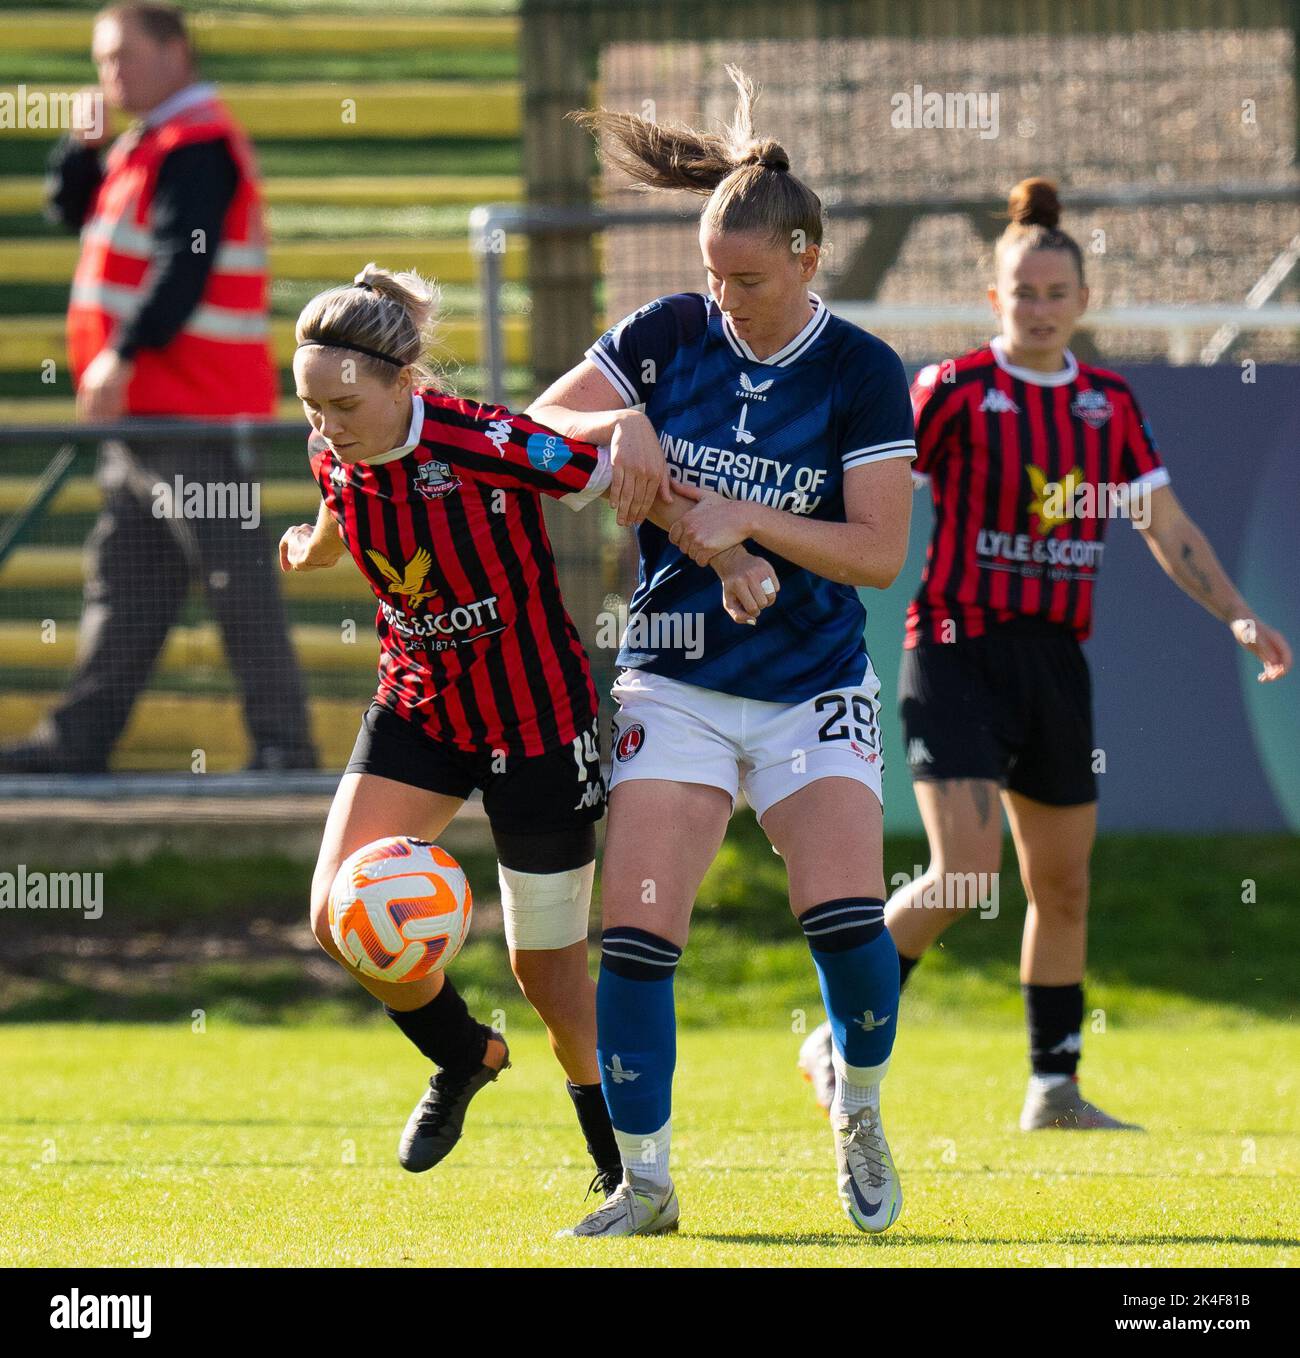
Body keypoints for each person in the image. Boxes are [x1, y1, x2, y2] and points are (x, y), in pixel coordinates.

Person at [798, 178, 1292, 1132]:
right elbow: (869, 493)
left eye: (1054, 293)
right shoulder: (951, 392)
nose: (1037, 308)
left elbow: (1165, 524)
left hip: (1055, 663)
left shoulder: (1108, 404)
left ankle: (1053, 1088)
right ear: (996, 300)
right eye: (1021, 292)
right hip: (955, 653)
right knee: (965, 874)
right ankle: (834, 1032)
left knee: (1061, 885)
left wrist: (1236, 612)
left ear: (1082, 302)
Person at [525, 66, 917, 1237]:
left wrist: (748, 525)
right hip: (676, 681)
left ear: (806, 259)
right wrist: (621, 422)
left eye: (746, 277)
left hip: (810, 689)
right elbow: (540, 427)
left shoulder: (861, 369)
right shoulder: (668, 335)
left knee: (846, 926)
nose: (722, 296)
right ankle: (643, 1182)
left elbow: (876, 552)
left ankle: (855, 1101)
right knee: (639, 934)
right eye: (709, 273)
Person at [282, 262, 771, 1198]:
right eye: (309, 406)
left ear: (401, 382)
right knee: (336, 918)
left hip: (535, 726)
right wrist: (319, 543)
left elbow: (640, 485)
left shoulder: (482, 442)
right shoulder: (333, 449)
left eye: (342, 404)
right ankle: (466, 1055)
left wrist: (734, 556)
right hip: (418, 712)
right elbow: (342, 491)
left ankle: (620, 1173)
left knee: (545, 973)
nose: (325, 427)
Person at [0, 1, 314, 775]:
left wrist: (121, 354)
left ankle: (285, 748)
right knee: (126, 584)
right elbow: (67, 211)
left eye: (124, 58)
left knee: (233, 577)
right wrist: (82, 148)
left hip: (189, 407)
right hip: (147, 415)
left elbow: (185, 265)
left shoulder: (196, 143)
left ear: (176, 53)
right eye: (103, 60)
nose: (110, 75)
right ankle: (79, 742)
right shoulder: (148, 143)